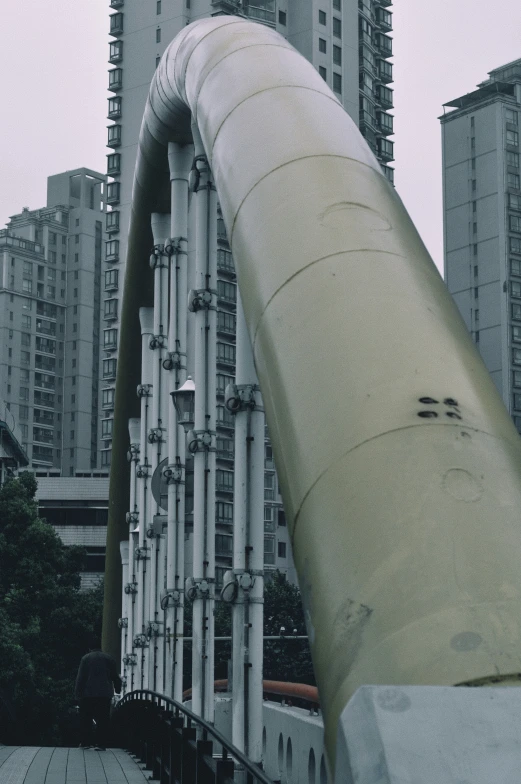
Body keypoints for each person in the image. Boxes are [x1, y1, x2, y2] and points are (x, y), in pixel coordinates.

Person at [75, 636, 122, 751]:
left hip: (88, 694)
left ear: (90, 647)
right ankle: (101, 743)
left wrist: (78, 693)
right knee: (103, 719)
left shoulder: (85, 659)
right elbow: (115, 677)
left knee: (86, 718)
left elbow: (80, 678)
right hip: (104, 694)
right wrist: (117, 689)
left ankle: (86, 742)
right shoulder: (109, 658)